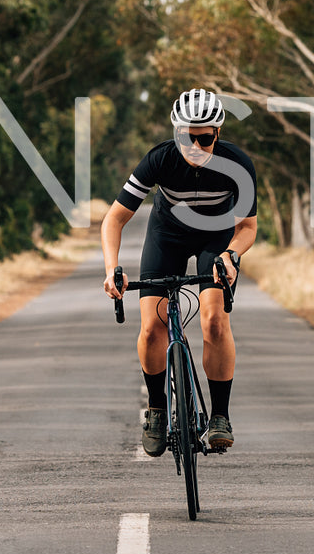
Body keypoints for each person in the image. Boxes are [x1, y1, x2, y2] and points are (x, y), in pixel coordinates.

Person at [102, 88, 258, 456]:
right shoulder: (158, 160)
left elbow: (247, 227)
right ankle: (157, 410)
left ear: (217, 135)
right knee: (152, 327)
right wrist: (112, 270)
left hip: (216, 240)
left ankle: (219, 417)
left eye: (204, 139)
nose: (195, 146)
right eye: (186, 137)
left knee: (213, 321)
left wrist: (231, 256)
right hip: (167, 235)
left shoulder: (238, 165)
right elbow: (114, 219)